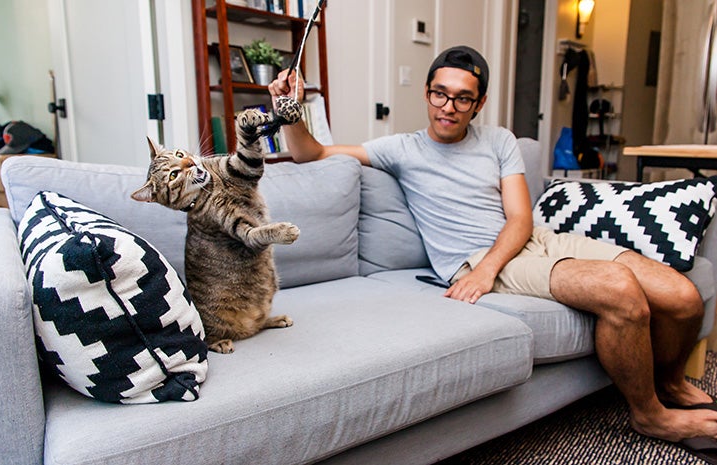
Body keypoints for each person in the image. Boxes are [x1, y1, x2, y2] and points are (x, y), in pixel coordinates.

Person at [268, 45, 717, 444]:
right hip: (474, 258)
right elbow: (312, 154)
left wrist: (494, 267)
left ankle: (672, 382)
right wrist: (290, 109)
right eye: (440, 94)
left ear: (478, 103)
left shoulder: (500, 140)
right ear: (426, 93)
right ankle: (651, 416)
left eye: (463, 98)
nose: (449, 107)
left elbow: (521, 219)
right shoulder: (400, 148)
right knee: (618, 288)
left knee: (681, 295)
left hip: (530, 240)